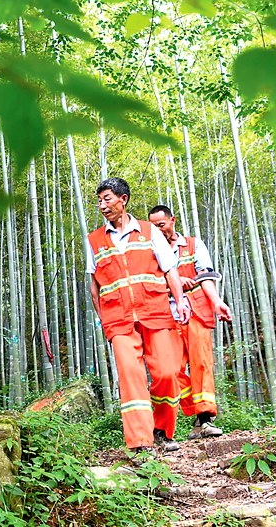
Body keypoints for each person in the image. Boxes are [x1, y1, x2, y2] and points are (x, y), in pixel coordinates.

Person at [86, 177, 190, 455]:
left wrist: (180, 302)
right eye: (99, 201)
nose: (102, 205)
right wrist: (102, 319)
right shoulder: (94, 240)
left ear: (123, 199)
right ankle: (140, 443)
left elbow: (170, 270)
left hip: (155, 312)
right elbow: (95, 287)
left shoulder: (149, 231)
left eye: (107, 199)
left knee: (167, 374)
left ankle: (162, 430)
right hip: (118, 319)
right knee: (131, 378)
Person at [148, 205, 232, 439]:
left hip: (195, 309)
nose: (157, 230)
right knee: (170, 370)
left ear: (172, 220)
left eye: (161, 225)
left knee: (201, 364)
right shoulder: (149, 250)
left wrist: (216, 303)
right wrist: (173, 282)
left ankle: (204, 420)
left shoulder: (193, 245)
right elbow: (148, 282)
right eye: (153, 227)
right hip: (165, 314)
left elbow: (205, 276)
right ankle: (190, 409)